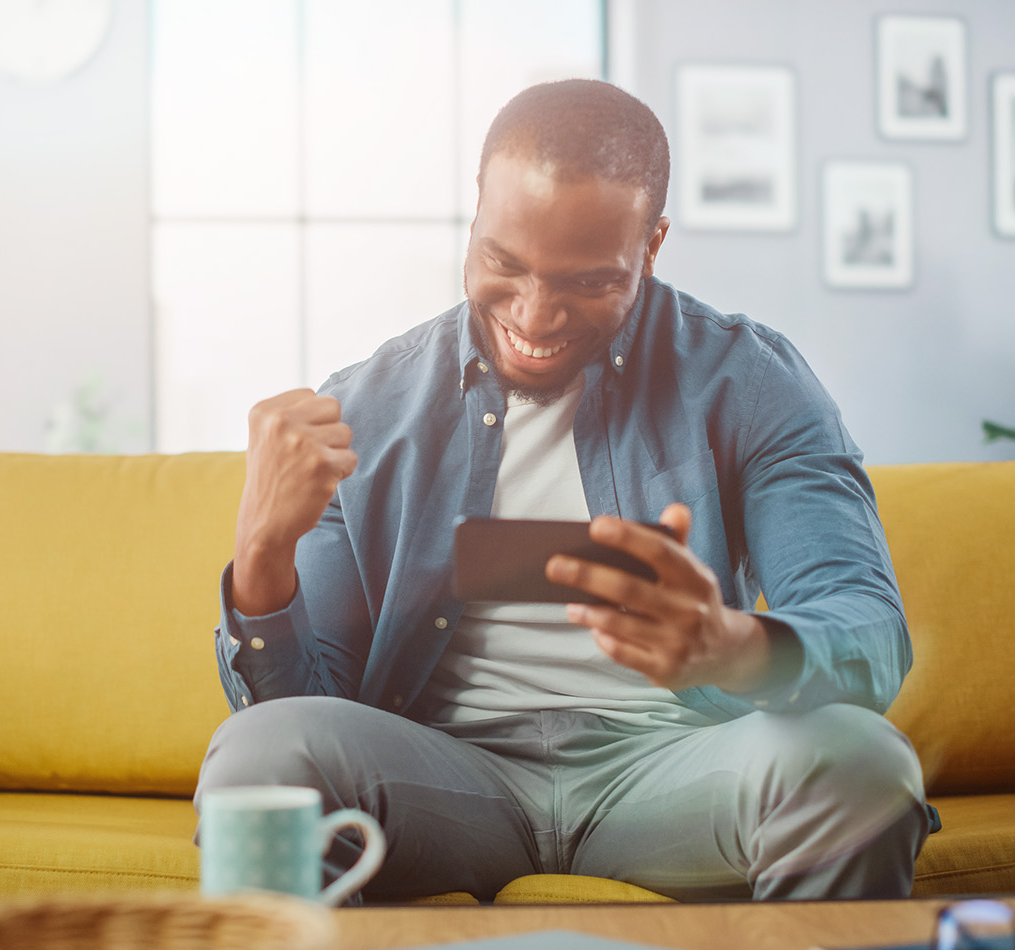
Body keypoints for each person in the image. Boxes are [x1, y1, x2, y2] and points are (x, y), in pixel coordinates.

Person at [196, 79, 932, 903]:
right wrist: (262, 558)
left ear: (651, 247)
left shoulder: (748, 382)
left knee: (863, 766)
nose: (537, 317)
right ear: (475, 214)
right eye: (503, 266)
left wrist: (731, 646)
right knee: (259, 755)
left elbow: (866, 629)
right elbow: (310, 709)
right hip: (448, 778)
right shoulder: (366, 406)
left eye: (588, 281)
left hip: (673, 768)